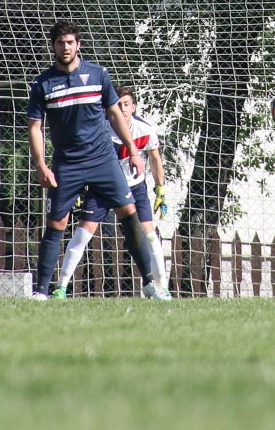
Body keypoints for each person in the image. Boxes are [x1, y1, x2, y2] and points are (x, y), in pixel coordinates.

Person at [27, 20, 170, 300]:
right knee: (57, 223)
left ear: (78, 45)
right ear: (53, 46)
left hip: (103, 160)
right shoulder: (42, 84)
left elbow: (115, 114)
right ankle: (41, 291)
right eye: (60, 43)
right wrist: (40, 165)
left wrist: (133, 150)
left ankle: (149, 283)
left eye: (70, 42)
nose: (66, 47)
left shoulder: (98, 74)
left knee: (129, 213)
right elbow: (35, 127)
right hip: (67, 163)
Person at [52, 85, 169, 298]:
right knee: (83, 234)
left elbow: (154, 159)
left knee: (149, 235)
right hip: (103, 186)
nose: (122, 109)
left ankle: (162, 288)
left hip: (135, 188)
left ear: (133, 107)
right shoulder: (101, 129)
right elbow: (83, 156)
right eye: (118, 104)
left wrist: (160, 189)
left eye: (126, 104)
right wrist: (77, 188)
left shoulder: (145, 130)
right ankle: (61, 287)